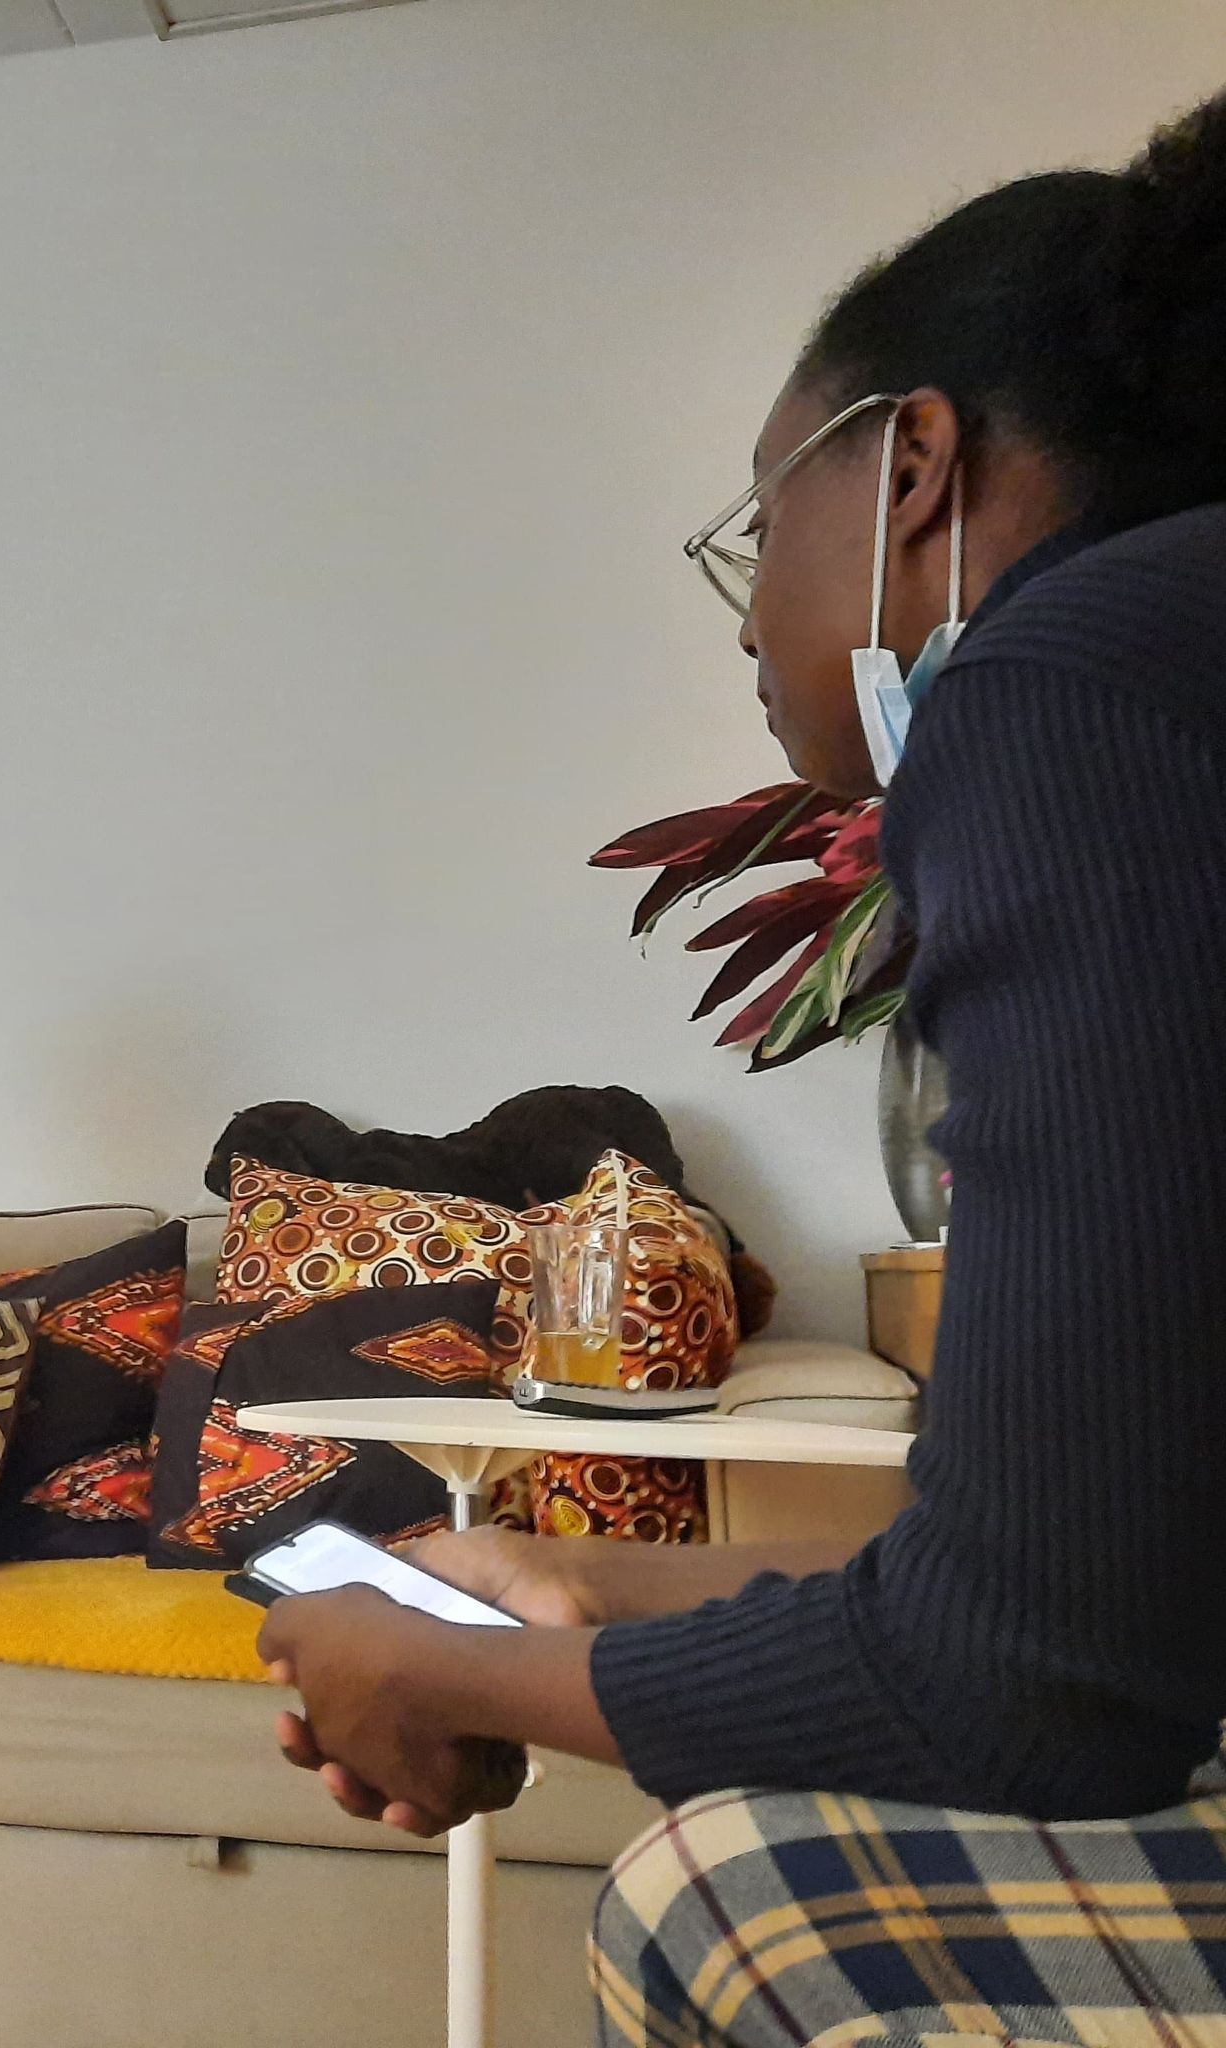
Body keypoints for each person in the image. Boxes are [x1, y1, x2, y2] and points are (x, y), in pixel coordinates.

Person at [258, 86, 1226, 1843]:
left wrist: (451, 1676)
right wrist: (576, 1584)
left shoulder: (1067, 691)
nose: (748, 621)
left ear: (911, 465)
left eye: (762, 524)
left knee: (721, 1881)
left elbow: (1036, 1690)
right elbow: (1118, 1591)